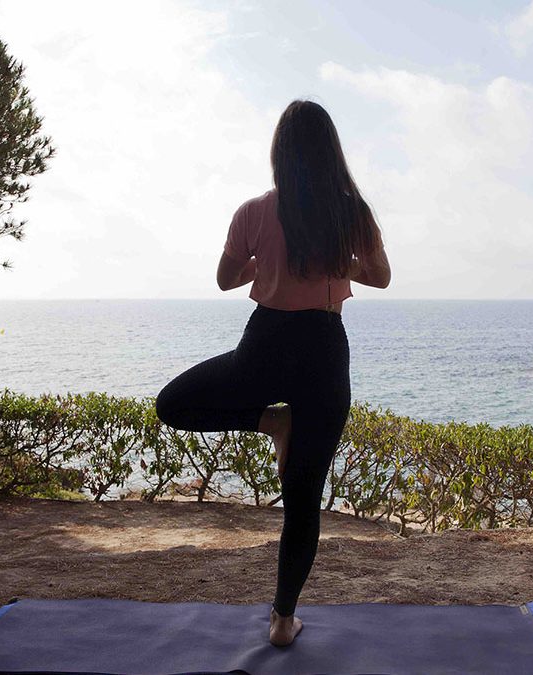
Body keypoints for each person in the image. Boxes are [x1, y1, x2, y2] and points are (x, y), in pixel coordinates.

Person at [154, 99, 391, 648]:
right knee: (303, 496)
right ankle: (283, 620)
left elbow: (225, 279)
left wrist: (268, 263)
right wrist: (338, 261)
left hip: (265, 345)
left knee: (174, 404)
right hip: (324, 352)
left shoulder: (254, 212)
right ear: (333, 153)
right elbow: (379, 277)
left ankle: (267, 420)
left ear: (279, 153)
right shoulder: (353, 213)